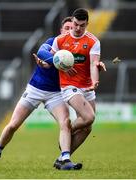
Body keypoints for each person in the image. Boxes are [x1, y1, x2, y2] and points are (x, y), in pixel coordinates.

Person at [0, 17, 82, 170]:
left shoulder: (75, 49)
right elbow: (42, 52)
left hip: (56, 93)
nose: (69, 30)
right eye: (66, 28)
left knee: (65, 122)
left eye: (71, 28)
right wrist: (47, 63)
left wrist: (96, 65)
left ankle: (65, 159)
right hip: (35, 89)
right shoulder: (52, 41)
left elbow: (84, 65)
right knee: (13, 125)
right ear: (61, 30)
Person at [50, 8, 105, 169]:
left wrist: (95, 81)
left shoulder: (93, 41)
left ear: (87, 24)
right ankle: (66, 130)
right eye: (75, 24)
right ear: (72, 22)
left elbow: (94, 64)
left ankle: (63, 158)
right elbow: (51, 57)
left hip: (87, 87)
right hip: (69, 86)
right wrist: (44, 63)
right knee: (89, 117)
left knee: (87, 128)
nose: (77, 28)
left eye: (82, 25)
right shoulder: (60, 40)